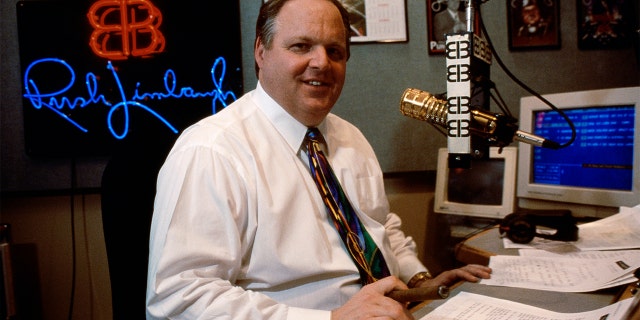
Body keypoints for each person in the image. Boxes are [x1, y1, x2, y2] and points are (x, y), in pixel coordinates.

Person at [146, 0, 491, 319]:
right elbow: (180, 299)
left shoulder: (350, 137)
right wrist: (333, 319)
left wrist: (422, 283)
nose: (322, 63)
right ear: (261, 52)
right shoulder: (212, 151)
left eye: (335, 51)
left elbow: (381, 227)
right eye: (301, 46)